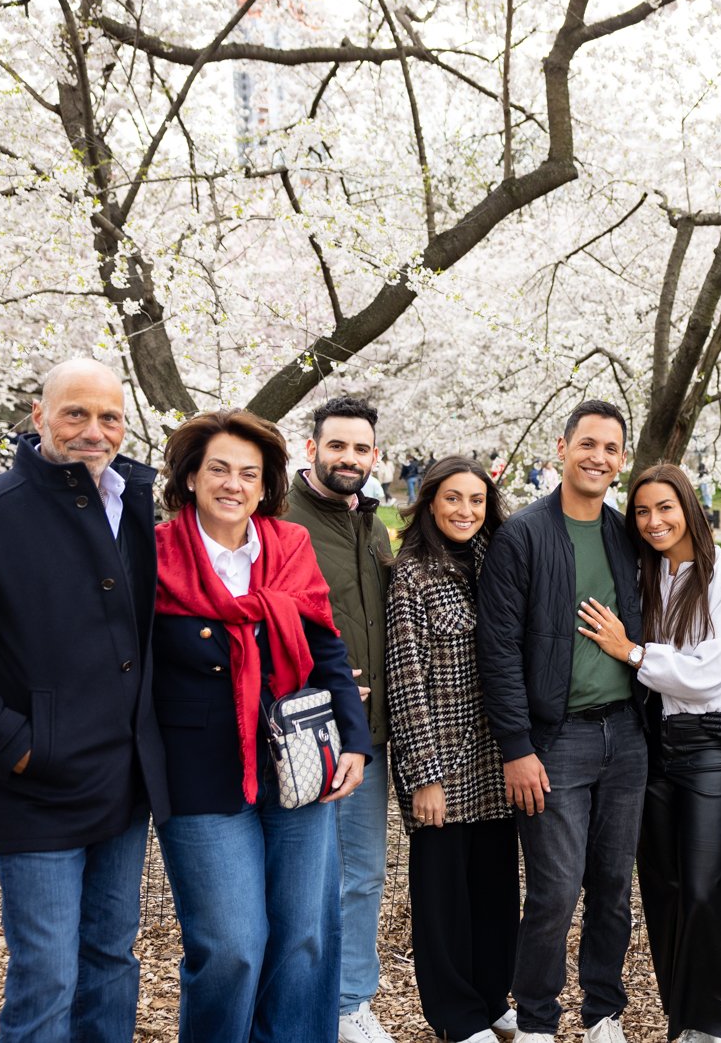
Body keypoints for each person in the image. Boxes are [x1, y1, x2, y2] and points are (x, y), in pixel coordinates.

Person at [0, 358, 169, 1043]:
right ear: (40, 417)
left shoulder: (133, 506)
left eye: (109, 416)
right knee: (46, 975)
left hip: (124, 782)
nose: (93, 430)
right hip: (38, 786)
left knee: (111, 958)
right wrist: (14, 745)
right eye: (75, 413)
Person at [151, 408, 371, 1041]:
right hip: (199, 775)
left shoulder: (287, 546)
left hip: (297, 764)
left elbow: (326, 644)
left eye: (249, 473)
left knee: (305, 933)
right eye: (218, 468)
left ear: (266, 483)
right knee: (232, 945)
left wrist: (353, 740)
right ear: (190, 476)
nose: (233, 484)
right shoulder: (155, 554)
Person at [477, 400, 645, 1043]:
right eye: (588, 444)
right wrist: (516, 746)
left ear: (621, 461)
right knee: (553, 891)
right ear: (562, 446)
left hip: (625, 735)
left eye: (610, 449)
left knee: (613, 888)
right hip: (556, 740)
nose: (598, 457)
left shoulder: (622, 533)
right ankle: (540, 1022)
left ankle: (603, 1013)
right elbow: (496, 649)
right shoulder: (522, 534)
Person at [576, 464, 721, 1043]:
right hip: (649, 742)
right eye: (643, 511)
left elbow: (708, 677)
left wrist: (633, 653)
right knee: (661, 887)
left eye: (665, 509)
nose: (654, 522)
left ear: (690, 509)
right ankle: (683, 1023)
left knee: (704, 887)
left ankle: (713, 1026)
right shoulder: (642, 572)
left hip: (707, 748)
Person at [387, 455, 519, 1043]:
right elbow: (405, 680)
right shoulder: (412, 573)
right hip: (441, 759)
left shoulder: (498, 561)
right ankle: (456, 1015)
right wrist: (424, 776)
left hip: (497, 760)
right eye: (453, 499)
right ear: (430, 503)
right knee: (443, 900)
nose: (466, 511)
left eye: (477, 501)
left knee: (494, 891)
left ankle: (493, 1000)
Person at [280, 396, 396, 1043]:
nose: (349, 458)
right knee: (300, 878)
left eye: (361, 448)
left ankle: (349, 999)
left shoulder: (373, 526)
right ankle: (295, 1000)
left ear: (374, 455)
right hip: (301, 731)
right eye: (338, 446)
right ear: (311, 446)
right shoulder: (280, 520)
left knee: (364, 873)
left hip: (367, 736)